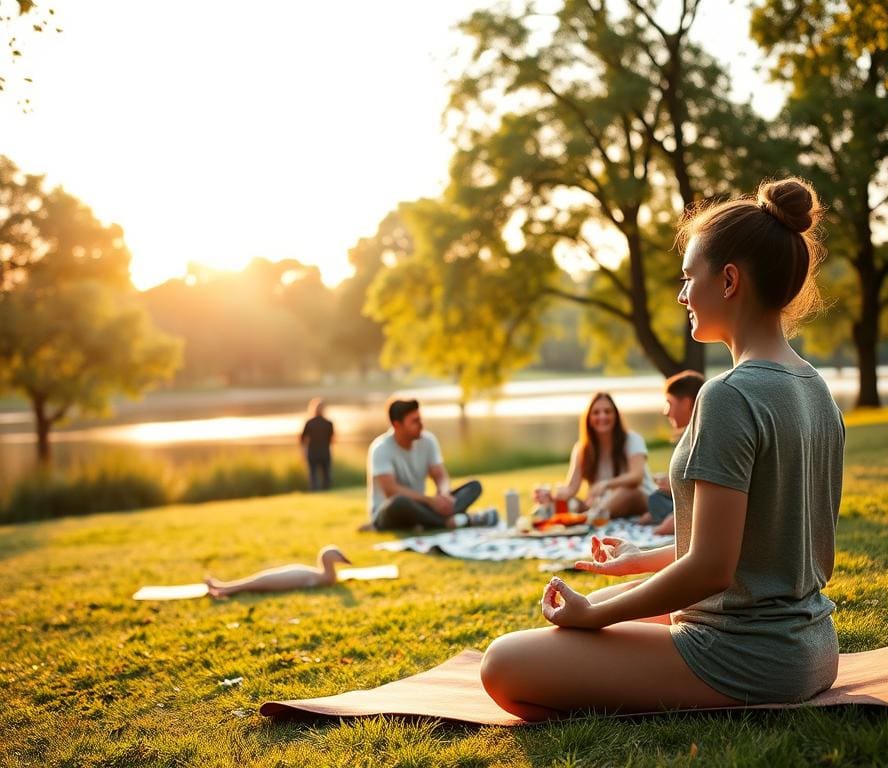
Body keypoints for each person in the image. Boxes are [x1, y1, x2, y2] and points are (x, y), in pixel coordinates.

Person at [480, 177, 844, 720]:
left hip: (745, 654)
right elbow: (757, 547)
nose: (681, 296)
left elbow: (710, 571)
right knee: (574, 614)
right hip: (813, 647)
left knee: (503, 663)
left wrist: (596, 622)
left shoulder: (729, 395)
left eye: (687, 278)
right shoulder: (816, 389)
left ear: (728, 280)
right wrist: (636, 564)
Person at [534, 392, 667, 524]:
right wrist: (551, 495)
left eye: (607, 411)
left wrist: (606, 484)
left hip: (640, 499)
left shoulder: (632, 439)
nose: (602, 416)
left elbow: (636, 477)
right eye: (596, 412)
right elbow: (570, 489)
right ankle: (585, 517)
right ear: (589, 418)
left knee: (628, 491)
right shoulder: (582, 449)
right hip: (601, 506)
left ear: (616, 415)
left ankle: (586, 518)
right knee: (571, 502)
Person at [367, 398, 497, 530]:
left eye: (420, 419)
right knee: (399, 502)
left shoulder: (428, 441)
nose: (421, 425)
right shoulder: (381, 449)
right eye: (415, 421)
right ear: (397, 425)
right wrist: (430, 501)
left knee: (474, 486)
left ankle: (432, 521)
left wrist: (443, 495)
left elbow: (440, 475)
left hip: (421, 507)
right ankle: (451, 522)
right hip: (390, 512)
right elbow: (391, 491)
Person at [648, 370, 706, 536]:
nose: (666, 411)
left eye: (669, 403)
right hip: (682, 503)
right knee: (655, 499)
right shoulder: (689, 437)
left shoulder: (703, 438)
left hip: (698, 509)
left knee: (657, 503)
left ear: (687, 403)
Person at [204, 546, 351, 598]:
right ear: (327, 558)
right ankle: (222, 589)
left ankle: (222, 588)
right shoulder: (324, 578)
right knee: (254, 583)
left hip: (290, 577)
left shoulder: (325, 578)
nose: (341, 558)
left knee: (254, 583)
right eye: (339, 555)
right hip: (288, 577)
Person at [301, 398, 334, 491]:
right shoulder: (328, 423)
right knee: (325, 476)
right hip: (323, 452)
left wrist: (303, 452)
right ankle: (325, 491)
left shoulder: (310, 423)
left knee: (314, 476)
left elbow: (302, 440)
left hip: (314, 452)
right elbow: (332, 440)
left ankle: (316, 491)